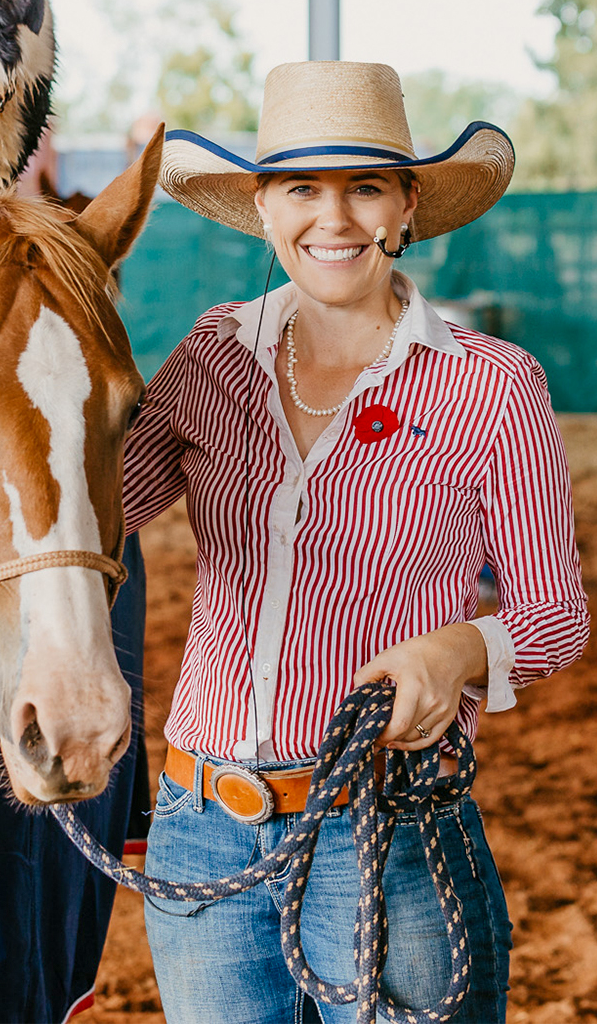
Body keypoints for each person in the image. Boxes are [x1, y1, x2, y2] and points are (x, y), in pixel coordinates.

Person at [123, 61, 588, 1023]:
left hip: (387, 828)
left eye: (365, 186)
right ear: (263, 207)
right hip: (201, 830)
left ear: (407, 204)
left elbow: (556, 616)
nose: (332, 218)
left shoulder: (493, 385)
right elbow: (92, 512)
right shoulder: (211, 354)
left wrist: (455, 650)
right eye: (301, 187)